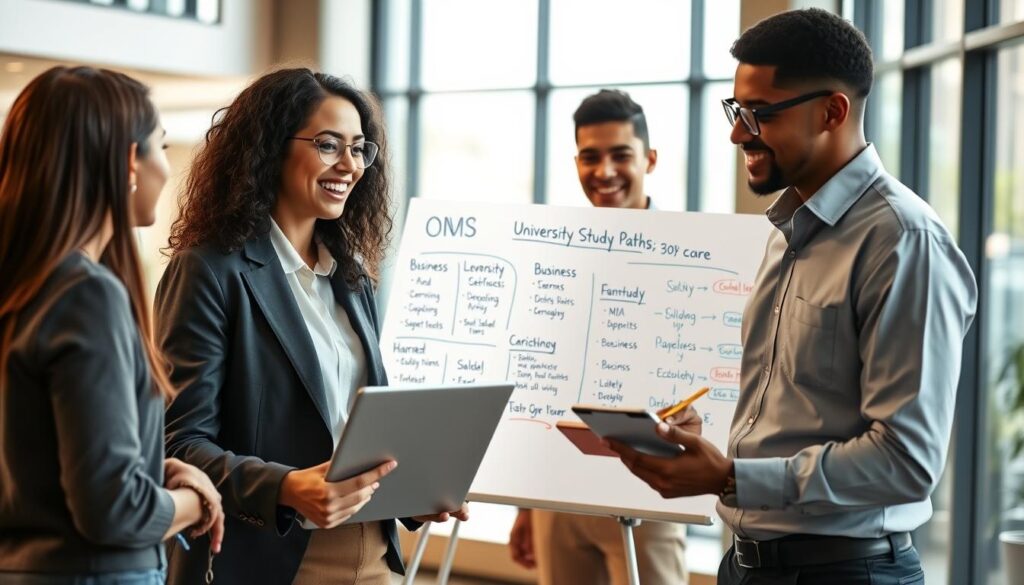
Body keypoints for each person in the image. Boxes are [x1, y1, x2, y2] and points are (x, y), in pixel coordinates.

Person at [607, 8, 978, 585]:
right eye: (736, 110)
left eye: (760, 114)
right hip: (748, 564)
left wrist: (732, 477)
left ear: (833, 111)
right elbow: (793, 410)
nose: (736, 133)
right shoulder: (785, 235)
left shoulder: (903, 241)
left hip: (848, 573)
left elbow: (906, 463)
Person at [156, 68, 466, 585]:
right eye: (328, 145)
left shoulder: (351, 278)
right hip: (271, 563)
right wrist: (287, 487)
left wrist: (414, 492)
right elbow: (180, 442)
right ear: (270, 149)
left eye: (360, 148)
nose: (350, 165)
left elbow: (354, 425)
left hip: (374, 556)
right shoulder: (209, 271)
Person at [0, 66, 224, 584]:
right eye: (161, 147)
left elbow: (35, 461)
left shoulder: (26, 287)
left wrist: (152, 471)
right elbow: (112, 510)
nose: (167, 168)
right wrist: (195, 500)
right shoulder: (87, 295)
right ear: (129, 160)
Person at [508, 89, 688, 585]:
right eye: (590, 157)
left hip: (648, 492)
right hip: (559, 491)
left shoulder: (690, 256)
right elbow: (538, 378)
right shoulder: (554, 257)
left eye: (620, 155)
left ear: (649, 159)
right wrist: (526, 504)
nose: (604, 171)